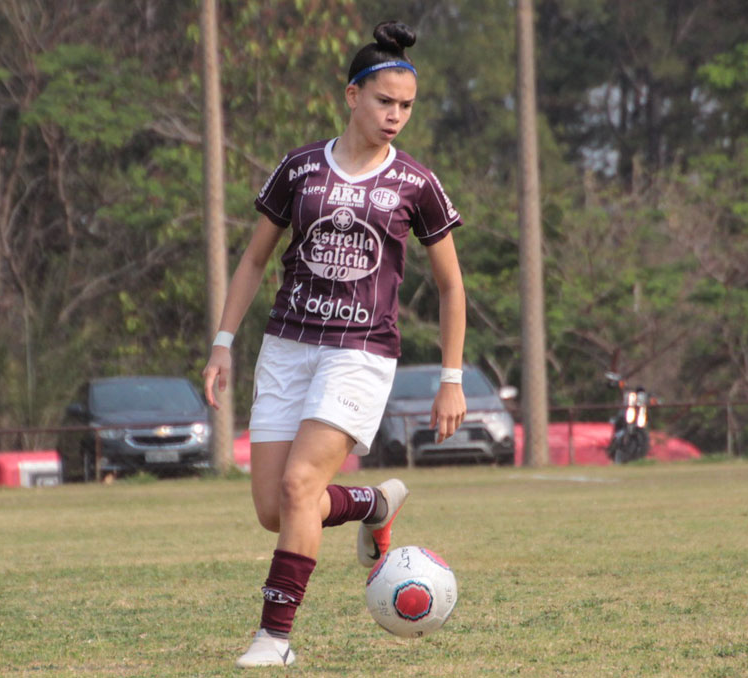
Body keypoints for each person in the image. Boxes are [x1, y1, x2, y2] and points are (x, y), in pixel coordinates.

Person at [201, 20, 467, 669]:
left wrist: (452, 376)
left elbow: (452, 286)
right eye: (384, 101)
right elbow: (252, 261)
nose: (395, 115)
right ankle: (373, 503)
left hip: (362, 350)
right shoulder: (299, 168)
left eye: (406, 106)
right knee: (276, 508)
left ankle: (274, 638)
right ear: (352, 96)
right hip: (287, 347)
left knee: (299, 486)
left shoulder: (416, 182)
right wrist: (222, 343)